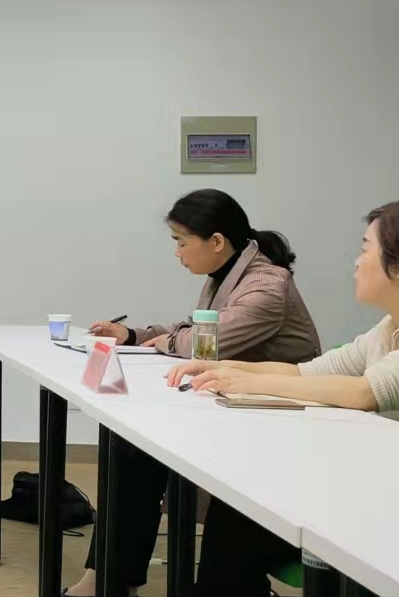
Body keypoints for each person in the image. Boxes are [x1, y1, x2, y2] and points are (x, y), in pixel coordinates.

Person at [169, 197, 399, 596]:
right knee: (239, 509)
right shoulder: (391, 327)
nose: (356, 262)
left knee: (243, 518)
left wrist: (247, 383)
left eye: (365, 249)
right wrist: (223, 370)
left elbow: (365, 392)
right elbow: (307, 371)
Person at [67, 189, 322, 597]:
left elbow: (204, 343)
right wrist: (133, 335)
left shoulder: (266, 285)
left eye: (182, 242)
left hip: (274, 423)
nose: (177, 253)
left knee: (148, 452)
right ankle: (108, 580)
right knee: (132, 447)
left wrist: (168, 340)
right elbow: (189, 330)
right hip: (234, 407)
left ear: (216, 241)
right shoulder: (227, 275)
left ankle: (113, 580)